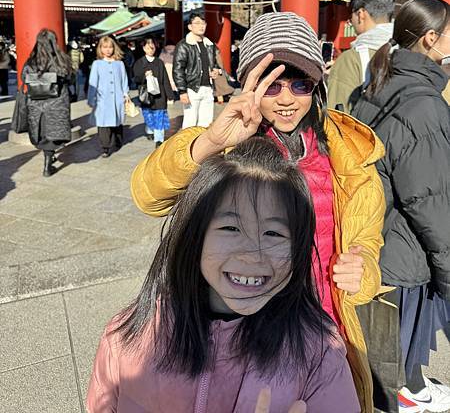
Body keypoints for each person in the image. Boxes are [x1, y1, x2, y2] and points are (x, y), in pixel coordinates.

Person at [131, 11, 386, 413]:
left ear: (317, 84)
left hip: (324, 324)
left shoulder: (348, 151)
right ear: (250, 85)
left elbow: (368, 236)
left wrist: (364, 267)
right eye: (272, 86)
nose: (287, 99)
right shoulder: (229, 145)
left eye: (300, 84)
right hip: (242, 326)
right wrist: (211, 141)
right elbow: (148, 196)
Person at [88, 137, 360, 413]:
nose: (253, 255)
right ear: (194, 234)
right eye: (231, 228)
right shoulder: (128, 336)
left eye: (274, 233)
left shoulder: (318, 350)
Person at [352, 0, 450, 413]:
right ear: (431, 39)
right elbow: (431, 202)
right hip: (405, 252)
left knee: (391, 348)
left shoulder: (375, 81)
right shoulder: (425, 105)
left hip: (377, 238)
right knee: (398, 347)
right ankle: (404, 395)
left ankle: (410, 386)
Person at [328, 0, 397, 113]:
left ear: (360, 15)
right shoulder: (411, 52)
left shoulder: (352, 60)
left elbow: (337, 117)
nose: (350, 23)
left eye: (351, 17)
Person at [22, 29, 73, 177]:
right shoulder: (61, 60)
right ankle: (47, 165)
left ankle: (48, 160)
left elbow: (23, 76)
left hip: (37, 103)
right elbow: (70, 77)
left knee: (42, 132)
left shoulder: (31, 61)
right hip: (56, 102)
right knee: (53, 133)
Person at [173, 12, 221, 128]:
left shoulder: (209, 44)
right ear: (190, 26)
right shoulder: (184, 45)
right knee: (190, 123)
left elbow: (215, 64)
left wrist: (216, 71)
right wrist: (182, 91)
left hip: (208, 88)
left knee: (206, 124)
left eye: (203, 23)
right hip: (192, 88)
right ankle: (186, 146)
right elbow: (177, 69)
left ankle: (201, 146)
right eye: (197, 23)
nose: (201, 26)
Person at [88, 36, 129, 158]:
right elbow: (93, 82)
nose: (108, 50)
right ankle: (105, 146)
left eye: (110, 47)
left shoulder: (119, 64)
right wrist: (91, 98)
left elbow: (124, 80)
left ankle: (117, 140)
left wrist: (125, 94)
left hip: (117, 99)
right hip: (103, 99)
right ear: (100, 49)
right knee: (103, 124)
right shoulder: (97, 64)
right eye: (105, 47)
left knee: (117, 121)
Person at [133, 37, 174, 147]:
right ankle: (150, 130)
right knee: (149, 116)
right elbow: (136, 78)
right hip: (146, 95)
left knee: (159, 116)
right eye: (148, 47)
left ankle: (159, 139)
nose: (150, 49)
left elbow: (165, 79)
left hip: (160, 95)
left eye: (152, 47)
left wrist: (169, 94)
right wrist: (144, 76)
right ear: (143, 48)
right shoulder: (139, 63)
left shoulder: (159, 62)